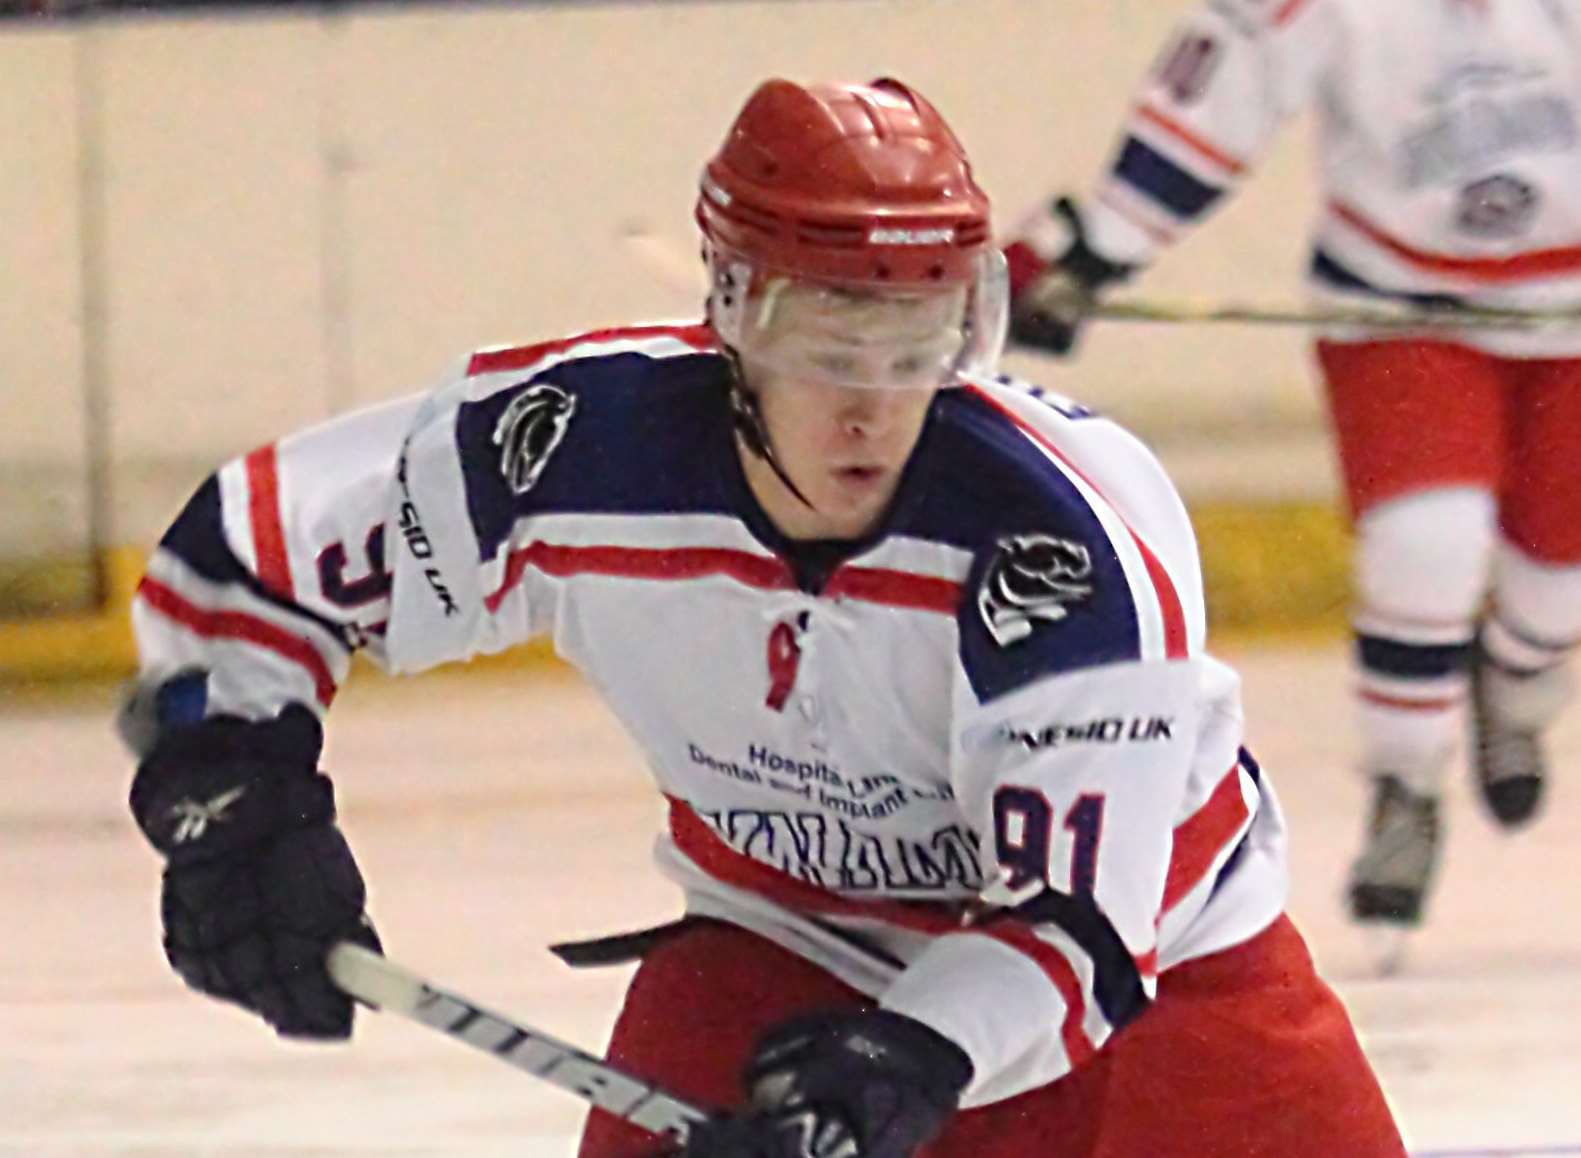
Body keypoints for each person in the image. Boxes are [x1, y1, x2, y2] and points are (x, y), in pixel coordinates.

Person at [120, 76, 1405, 1157]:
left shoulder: (1060, 541)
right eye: (828, 341)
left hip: (1166, 994)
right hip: (781, 942)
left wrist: (902, 1060)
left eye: (913, 344)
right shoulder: (574, 451)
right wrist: (234, 797)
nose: (872, 405)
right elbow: (249, 558)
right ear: (733, 311)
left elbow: (1078, 933)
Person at [1004, 0, 1581, 935]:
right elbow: (1211, 105)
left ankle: (1515, 686)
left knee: (1557, 581)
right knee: (1423, 545)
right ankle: (1406, 785)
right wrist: (1098, 251)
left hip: (1569, 316)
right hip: (1402, 310)